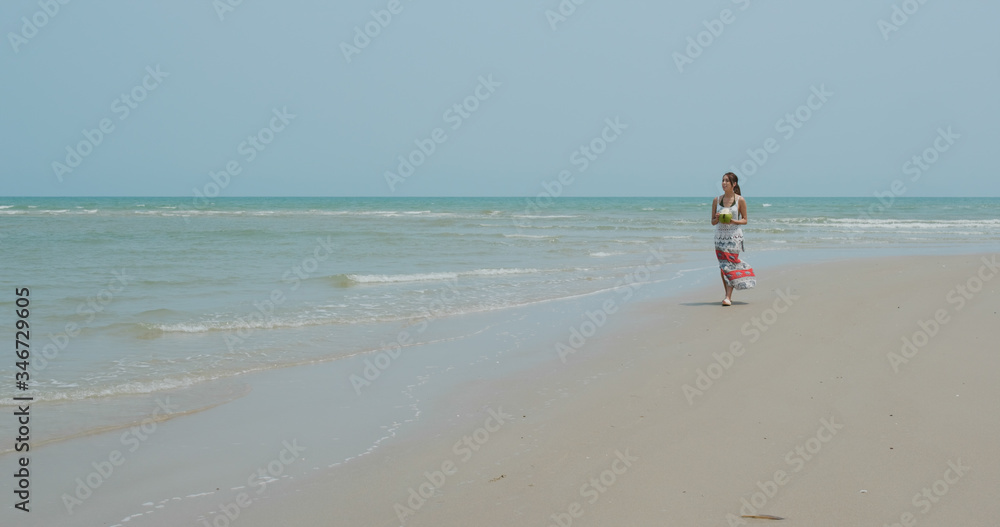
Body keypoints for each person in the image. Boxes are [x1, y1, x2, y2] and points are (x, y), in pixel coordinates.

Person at [711, 172, 756, 305]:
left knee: (730, 265)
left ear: (733, 184)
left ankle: (728, 296)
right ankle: (728, 295)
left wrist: (733, 221)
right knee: (723, 267)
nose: (723, 183)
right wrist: (717, 218)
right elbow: (712, 222)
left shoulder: (740, 200)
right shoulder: (716, 200)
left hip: (734, 237)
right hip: (719, 238)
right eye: (723, 180)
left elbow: (745, 220)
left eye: (727, 181)